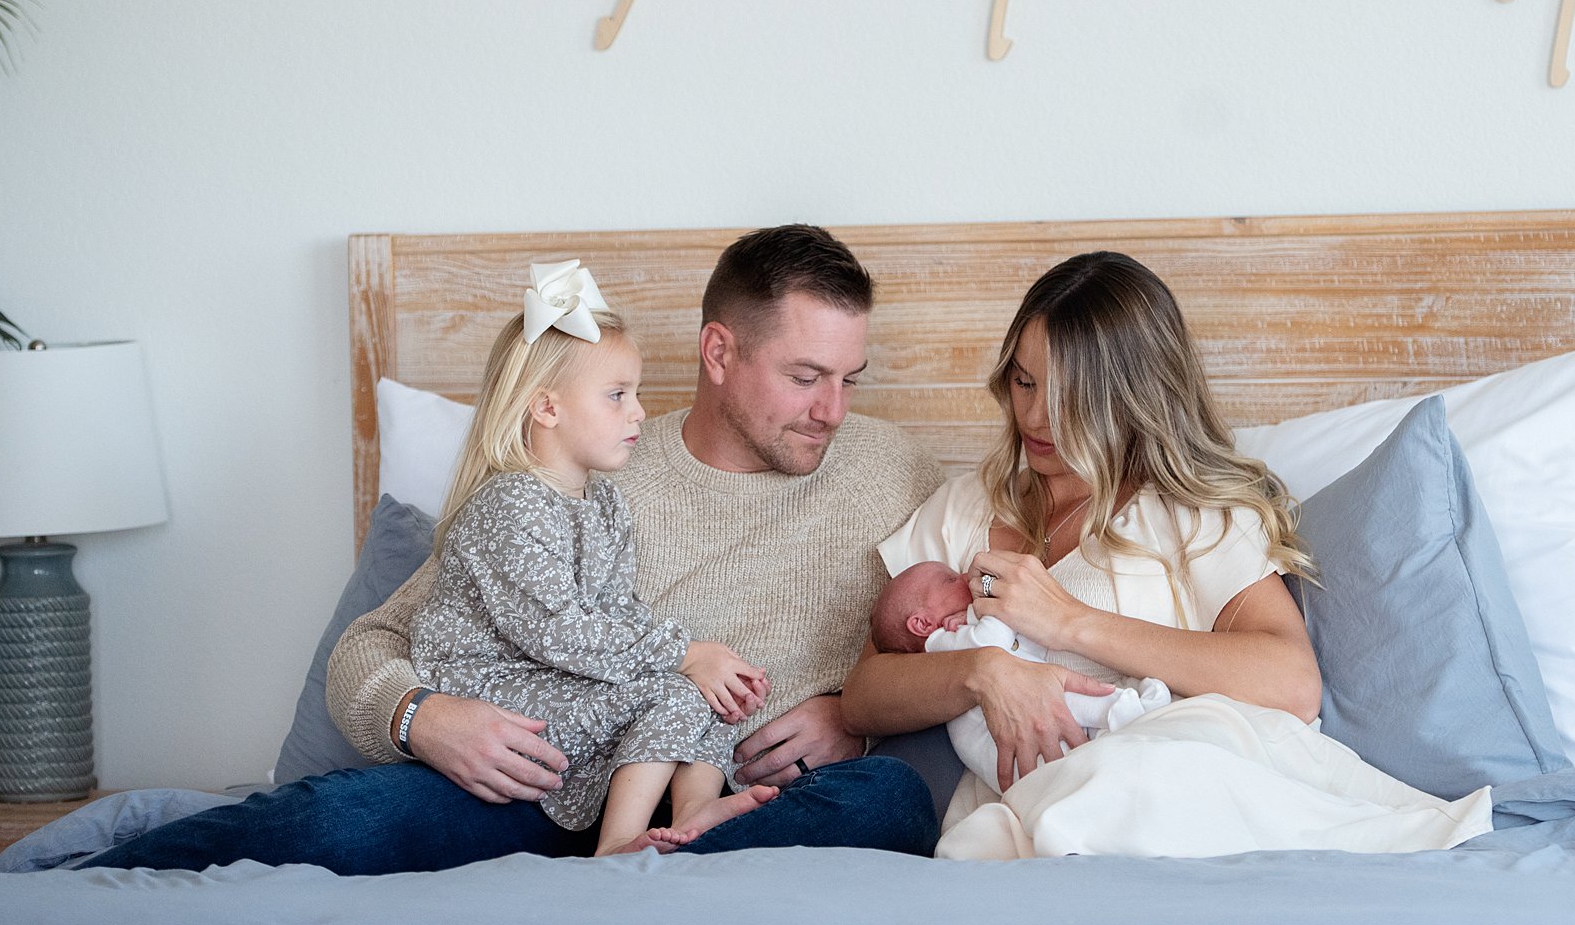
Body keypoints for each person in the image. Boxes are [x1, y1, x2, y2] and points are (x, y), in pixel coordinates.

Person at [84, 225, 946, 874]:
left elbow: (968, 603)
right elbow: (369, 645)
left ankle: (649, 864)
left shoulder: (891, 466)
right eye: (805, 377)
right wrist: (425, 718)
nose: (832, 410)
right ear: (718, 351)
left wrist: (852, 709)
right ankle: (78, 878)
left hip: (743, 796)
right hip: (538, 787)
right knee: (335, 822)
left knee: (895, 799)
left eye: (849, 379)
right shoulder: (577, 473)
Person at [842, 249, 1324, 823]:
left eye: (1071, 396)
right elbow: (864, 695)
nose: (1036, 417)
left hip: (1154, 797)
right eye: (1024, 382)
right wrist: (984, 674)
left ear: (1133, 396)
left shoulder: (1193, 517)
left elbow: (1292, 684)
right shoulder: (967, 508)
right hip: (1001, 820)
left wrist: (1070, 621)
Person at [411, 263, 776, 855]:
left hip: (555, 675)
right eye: (617, 396)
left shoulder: (603, 500)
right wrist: (683, 655)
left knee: (706, 696)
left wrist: (697, 662)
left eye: (634, 394)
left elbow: (616, 608)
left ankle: (693, 814)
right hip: (492, 687)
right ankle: (617, 849)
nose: (638, 412)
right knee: (674, 690)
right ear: (547, 408)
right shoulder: (510, 503)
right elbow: (556, 631)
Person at [871, 560, 1170, 793]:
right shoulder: (941, 645)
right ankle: (1124, 708)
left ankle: (1115, 721)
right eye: (950, 580)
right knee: (1059, 694)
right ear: (922, 624)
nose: (963, 576)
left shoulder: (956, 635)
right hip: (1022, 751)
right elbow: (993, 639)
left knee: (1058, 702)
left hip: (1033, 753)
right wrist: (986, 601)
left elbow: (1024, 647)